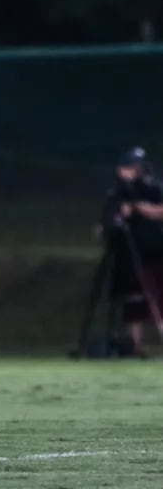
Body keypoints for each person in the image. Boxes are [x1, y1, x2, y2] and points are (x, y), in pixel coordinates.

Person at [99, 146, 163, 356]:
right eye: (132, 167)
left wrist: (141, 207)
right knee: (133, 298)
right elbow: (110, 220)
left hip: (155, 248)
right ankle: (136, 346)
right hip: (129, 251)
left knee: (158, 294)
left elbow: (157, 212)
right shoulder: (119, 192)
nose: (137, 171)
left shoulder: (152, 187)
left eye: (139, 167)